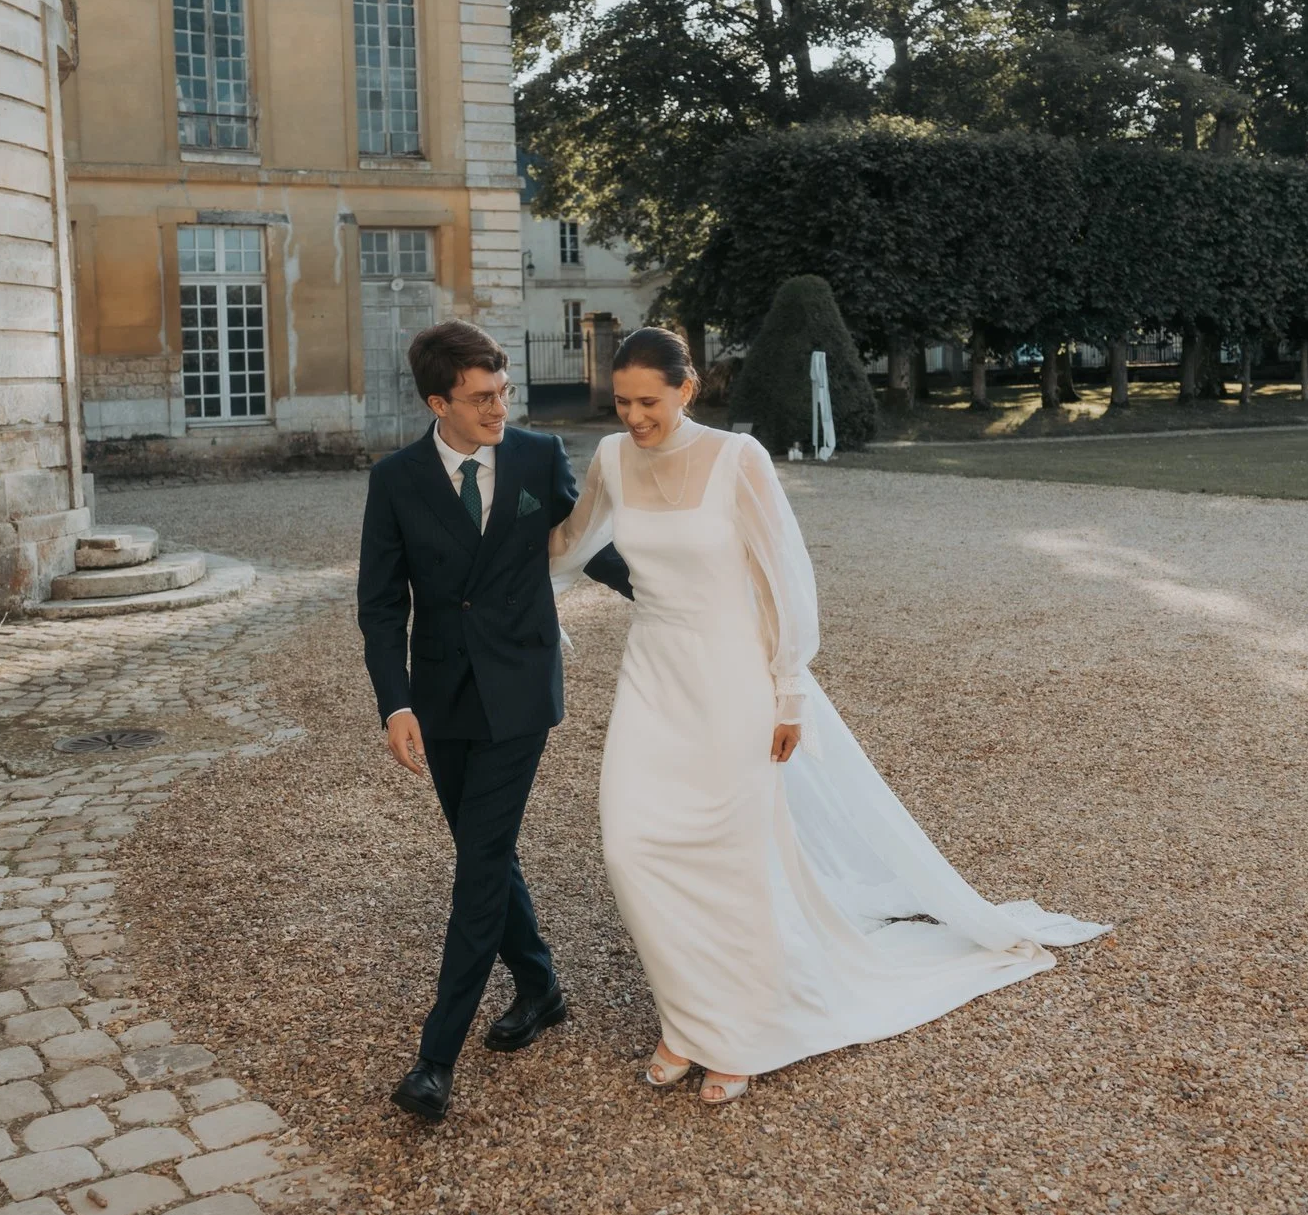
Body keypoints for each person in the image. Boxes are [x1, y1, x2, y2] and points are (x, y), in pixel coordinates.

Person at [548, 327, 1107, 1106]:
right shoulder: (611, 457)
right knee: (630, 846)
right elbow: (567, 546)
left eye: (649, 401)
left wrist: (789, 689)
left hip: (732, 677)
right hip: (653, 675)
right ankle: (687, 1014)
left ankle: (735, 1032)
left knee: (732, 858)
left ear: (687, 388)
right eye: (623, 402)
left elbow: (780, 578)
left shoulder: (738, 459)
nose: (635, 416)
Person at [356, 320, 630, 1123]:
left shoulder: (538, 457)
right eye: (481, 398)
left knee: (478, 864)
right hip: (441, 697)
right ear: (437, 402)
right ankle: (540, 985)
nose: (499, 408)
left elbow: (592, 549)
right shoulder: (395, 479)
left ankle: (434, 1059)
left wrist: (678, 594)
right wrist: (396, 703)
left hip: (520, 689)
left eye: (503, 391)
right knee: (489, 848)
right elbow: (381, 605)